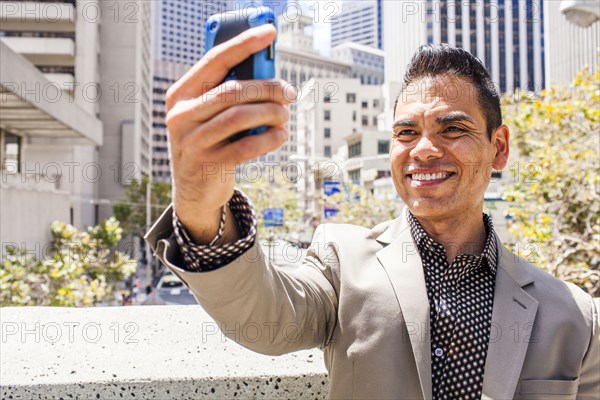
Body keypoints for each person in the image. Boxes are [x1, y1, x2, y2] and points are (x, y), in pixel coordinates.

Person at [145, 24, 599, 399]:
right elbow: (263, 320)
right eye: (405, 133)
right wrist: (200, 204)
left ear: (498, 148)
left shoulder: (574, 314)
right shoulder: (341, 261)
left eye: (452, 128)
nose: (423, 150)